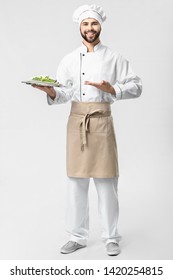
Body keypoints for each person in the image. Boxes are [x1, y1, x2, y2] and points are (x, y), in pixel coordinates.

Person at [33, 4, 142, 256]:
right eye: (85, 24)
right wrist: (51, 91)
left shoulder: (115, 58)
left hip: (102, 121)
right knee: (76, 182)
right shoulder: (69, 59)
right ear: (79, 27)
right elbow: (64, 92)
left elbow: (137, 86)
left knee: (106, 182)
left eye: (93, 23)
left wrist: (112, 89)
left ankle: (111, 237)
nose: (89, 28)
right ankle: (77, 236)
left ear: (100, 25)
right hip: (77, 122)